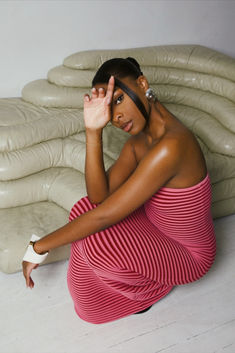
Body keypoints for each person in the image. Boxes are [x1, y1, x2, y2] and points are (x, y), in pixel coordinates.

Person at [22, 57, 216, 324]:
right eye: (108, 108)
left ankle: (153, 287)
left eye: (118, 100)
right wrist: (93, 131)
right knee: (83, 210)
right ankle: (147, 277)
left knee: (96, 241)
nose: (116, 116)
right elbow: (98, 199)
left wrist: (38, 248)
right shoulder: (138, 144)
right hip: (153, 230)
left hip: (188, 255)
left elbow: (105, 216)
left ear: (142, 83)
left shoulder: (173, 145)